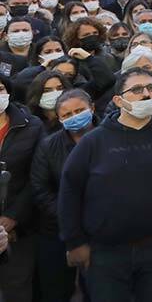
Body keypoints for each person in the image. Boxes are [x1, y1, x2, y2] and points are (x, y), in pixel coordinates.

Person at [58, 68, 152, 302]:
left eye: (151, 88)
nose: (146, 94)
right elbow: (70, 192)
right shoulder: (93, 142)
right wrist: (75, 242)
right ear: (118, 100)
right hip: (105, 253)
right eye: (137, 89)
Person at [31, 89, 94, 302]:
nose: (75, 117)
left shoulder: (110, 138)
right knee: (56, 291)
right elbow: (41, 190)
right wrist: (70, 218)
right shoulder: (49, 146)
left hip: (101, 230)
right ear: (59, 119)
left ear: (92, 109)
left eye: (80, 110)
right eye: (67, 115)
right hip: (56, 230)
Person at [0, 76, 45, 302]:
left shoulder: (32, 125)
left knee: (17, 288)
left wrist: (12, 217)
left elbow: (37, 177)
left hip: (18, 227)